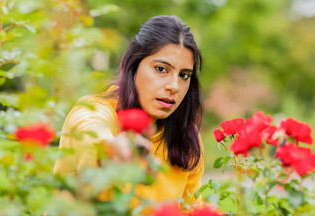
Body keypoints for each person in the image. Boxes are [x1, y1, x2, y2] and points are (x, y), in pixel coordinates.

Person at [54, 15, 204, 204]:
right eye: (161, 69)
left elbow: (191, 208)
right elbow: (90, 128)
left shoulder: (186, 139)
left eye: (184, 75)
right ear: (134, 66)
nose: (174, 86)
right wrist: (110, 148)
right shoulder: (94, 109)